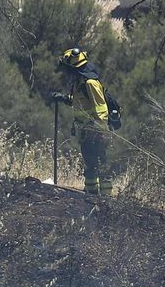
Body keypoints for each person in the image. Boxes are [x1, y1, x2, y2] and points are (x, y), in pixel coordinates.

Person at [50, 47, 118, 196]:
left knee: (100, 164)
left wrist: (98, 130)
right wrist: (63, 98)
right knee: (90, 164)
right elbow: (81, 103)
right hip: (87, 130)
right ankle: (91, 195)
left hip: (95, 131)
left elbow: (101, 109)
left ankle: (105, 197)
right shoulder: (80, 82)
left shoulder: (90, 83)